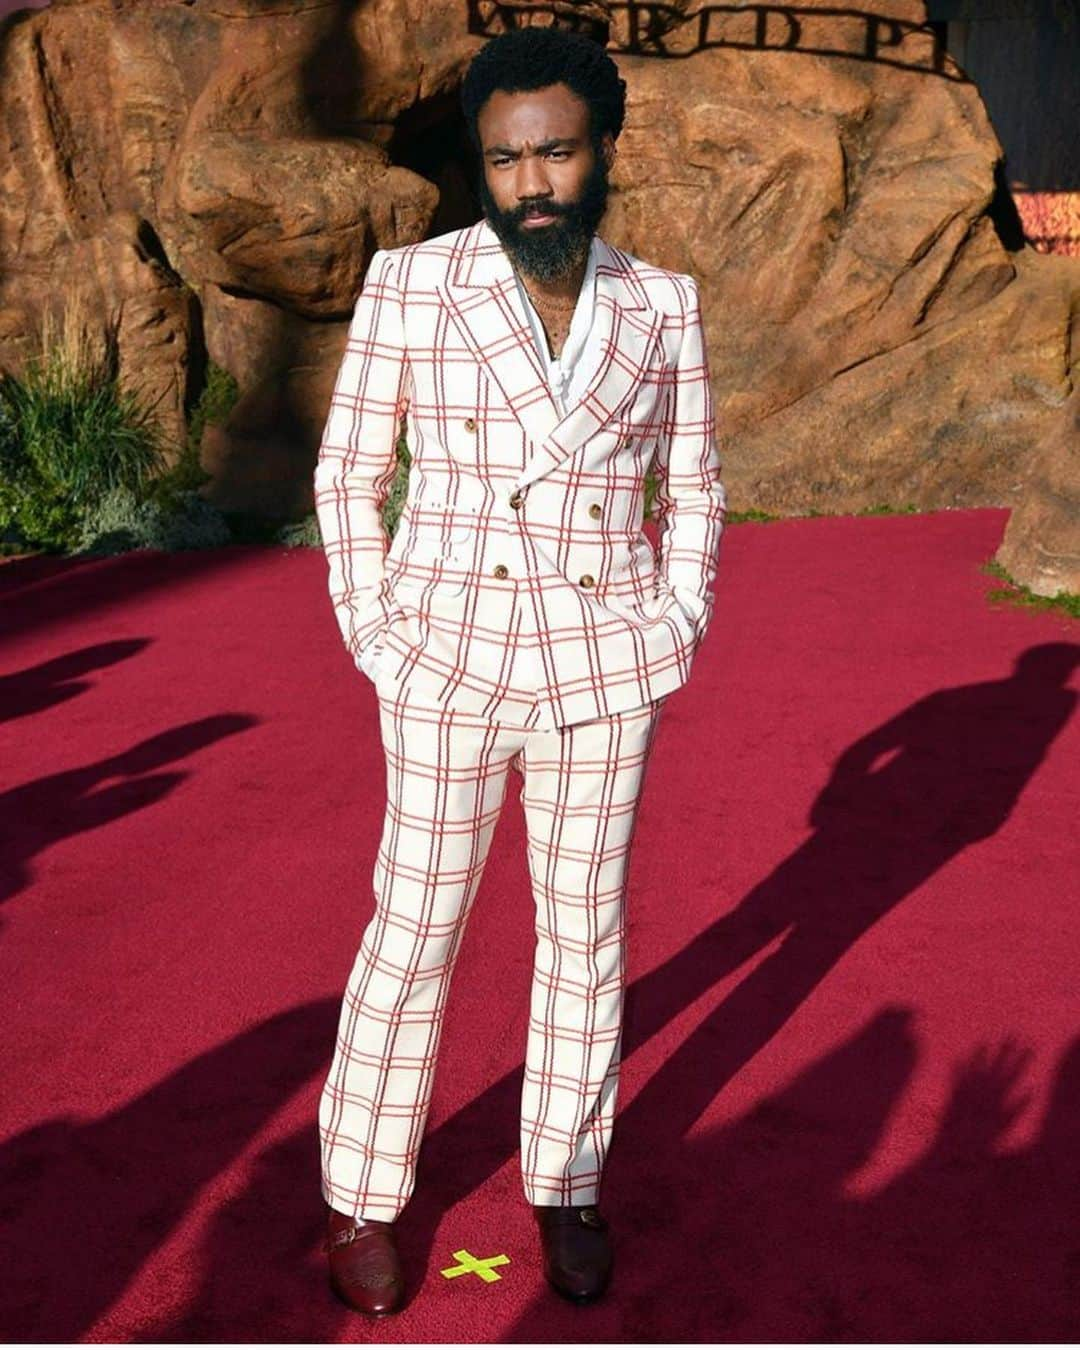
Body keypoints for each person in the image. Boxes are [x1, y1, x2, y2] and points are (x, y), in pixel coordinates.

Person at [312, 23, 726, 1316]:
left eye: (554, 152)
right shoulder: (411, 286)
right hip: (446, 657)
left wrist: (677, 621)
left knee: (585, 930)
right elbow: (348, 473)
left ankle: (567, 1174)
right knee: (415, 923)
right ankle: (366, 1189)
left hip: (604, 664)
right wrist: (380, 636)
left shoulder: (663, 302)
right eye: (505, 159)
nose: (532, 181)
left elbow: (698, 482)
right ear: (479, 165)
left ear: (600, 149)